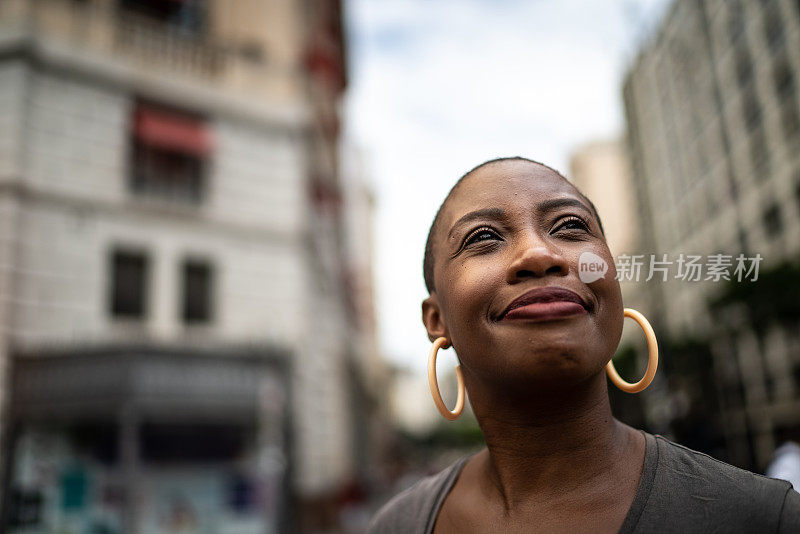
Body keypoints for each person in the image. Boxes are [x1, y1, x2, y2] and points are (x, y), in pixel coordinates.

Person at [368, 157, 800, 533]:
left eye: (570, 226)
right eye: (483, 237)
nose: (539, 254)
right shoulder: (397, 527)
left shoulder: (765, 518)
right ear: (436, 318)